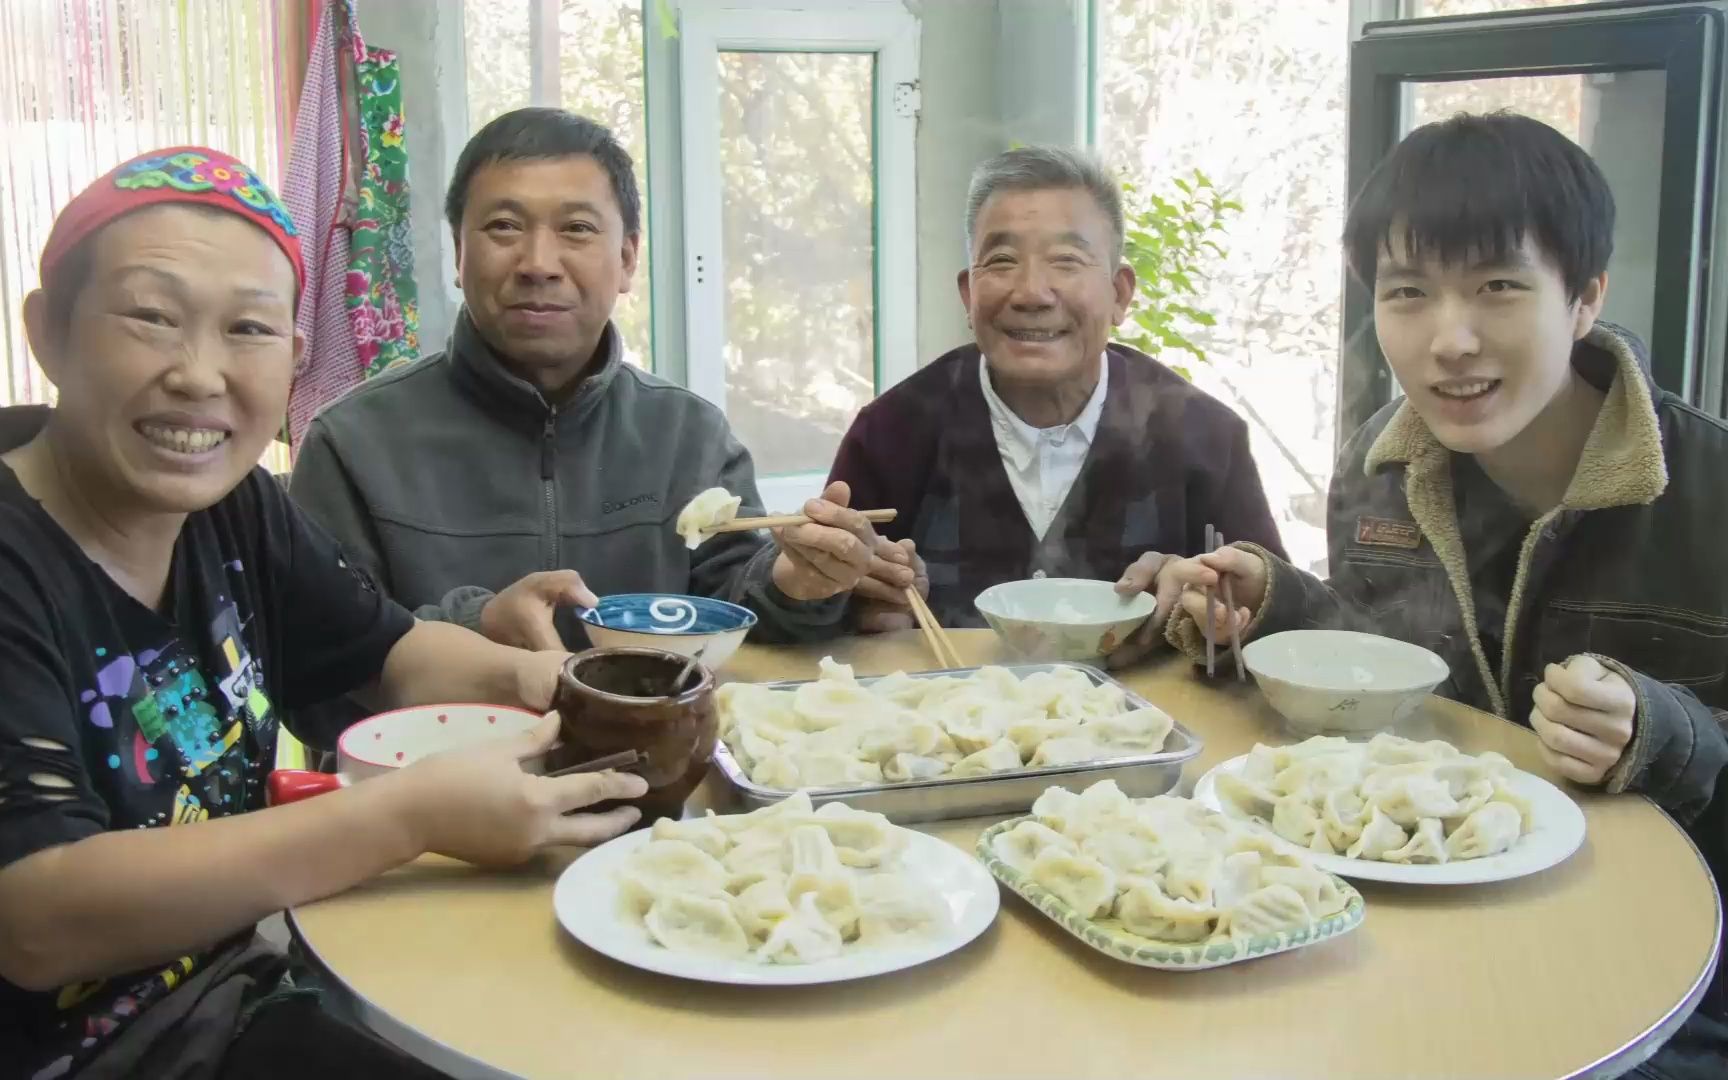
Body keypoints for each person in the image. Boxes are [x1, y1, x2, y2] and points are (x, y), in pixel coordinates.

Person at [0, 147, 646, 1080]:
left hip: (233, 1000)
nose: (198, 374)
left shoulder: (233, 508)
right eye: (150, 317)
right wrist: (412, 813)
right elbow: (37, 917)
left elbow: (390, 650)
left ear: (296, 358)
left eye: (249, 330)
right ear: (48, 333)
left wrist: (546, 679)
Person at [1162, 112, 1727, 1077]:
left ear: (1585, 297)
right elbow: (1386, 659)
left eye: (1499, 287)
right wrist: (1274, 602)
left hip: (1664, 973)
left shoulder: (1709, 491)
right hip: (1416, 928)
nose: (1449, 340)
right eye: (1408, 294)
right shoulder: (1383, 468)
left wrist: (1664, 733)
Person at [289, 108, 916, 656]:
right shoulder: (353, 445)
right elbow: (316, 674)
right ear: (458, 253)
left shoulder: (686, 434)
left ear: (626, 260)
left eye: (577, 229)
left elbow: (739, 613)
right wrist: (477, 626)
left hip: (657, 771)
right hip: (439, 783)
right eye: (504, 227)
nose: (538, 264)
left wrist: (798, 582)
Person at [825, 145, 1285, 642]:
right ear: (968, 294)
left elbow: (1278, 619)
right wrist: (848, 604)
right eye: (1001, 261)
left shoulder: (1204, 438)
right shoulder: (891, 433)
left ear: (1120, 294)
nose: (1031, 294)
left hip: (1145, 718)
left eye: (1066, 260)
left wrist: (1216, 612)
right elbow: (807, 603)